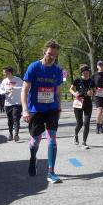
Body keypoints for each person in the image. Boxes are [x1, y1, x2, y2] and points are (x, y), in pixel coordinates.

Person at [21, 40, 65, 184]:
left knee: (52, 138)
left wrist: (59, 107)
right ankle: (33, 157)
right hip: (36, 109)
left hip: (51, 108)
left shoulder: (58, 70)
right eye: (50, 54)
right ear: (44, 51)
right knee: (35, 140)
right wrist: (25, 110)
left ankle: (51, 172)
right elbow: (24, 90)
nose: (52, 57)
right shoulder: (34, 67)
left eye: (54, 55)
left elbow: (58, 91)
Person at [70, 64, 94, 149]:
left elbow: (93, 91)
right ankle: (75, 135)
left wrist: (91, 93)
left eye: (87, 72)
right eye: (84, 72)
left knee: (87, 123)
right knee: (80, 123)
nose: (86, 74)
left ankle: (84, 142)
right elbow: (71, 89)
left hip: (88, 103)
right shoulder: (77, 80)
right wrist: (74, 94)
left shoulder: (91, 81)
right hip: (78, 103)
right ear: (82, 73)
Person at [1, 66, 24, 141]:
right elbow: (0, 91)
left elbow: (23, 88)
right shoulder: (4, 81)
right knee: (9, 120)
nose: (3, 73)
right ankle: (10, 134)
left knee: (16, 119)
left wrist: (14, 88)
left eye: (4, 72)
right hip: (8, 104)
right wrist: (5, 91)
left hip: (17, 103)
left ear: (9, 72)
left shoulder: (18, 80)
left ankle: (16, 134)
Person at [92, 60, 103, 134]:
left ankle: (101, 126)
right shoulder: (94, 75)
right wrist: (95, 89)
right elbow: (91, 84)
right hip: (97, 94)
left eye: (102, 65)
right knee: (99, 110)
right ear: (97, 66)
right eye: (99, 65)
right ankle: (97, 127)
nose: (101, 66)